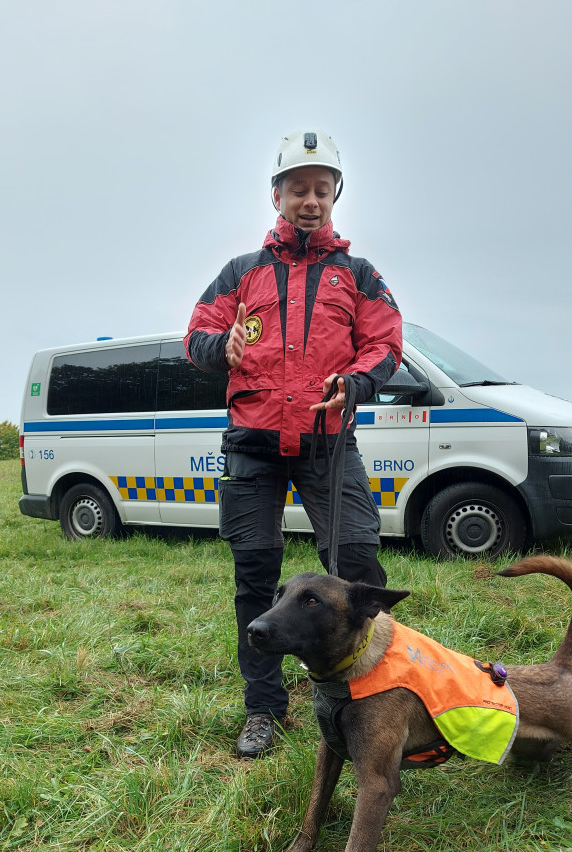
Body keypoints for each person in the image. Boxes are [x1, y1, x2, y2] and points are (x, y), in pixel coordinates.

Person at [185, 129, 403, 758]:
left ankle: (375, 690)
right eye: (298, 188)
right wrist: (215, 346)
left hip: (327, 443)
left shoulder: (359, 275)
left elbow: (385, 343)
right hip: (252, 444)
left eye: (322, 189)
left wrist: (357, 381)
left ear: (336, 196)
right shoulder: (241, 272)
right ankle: (264, 708)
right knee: (255, 577)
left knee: (357, 564)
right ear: (276, 195)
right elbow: (197, 331)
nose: (311, 200)